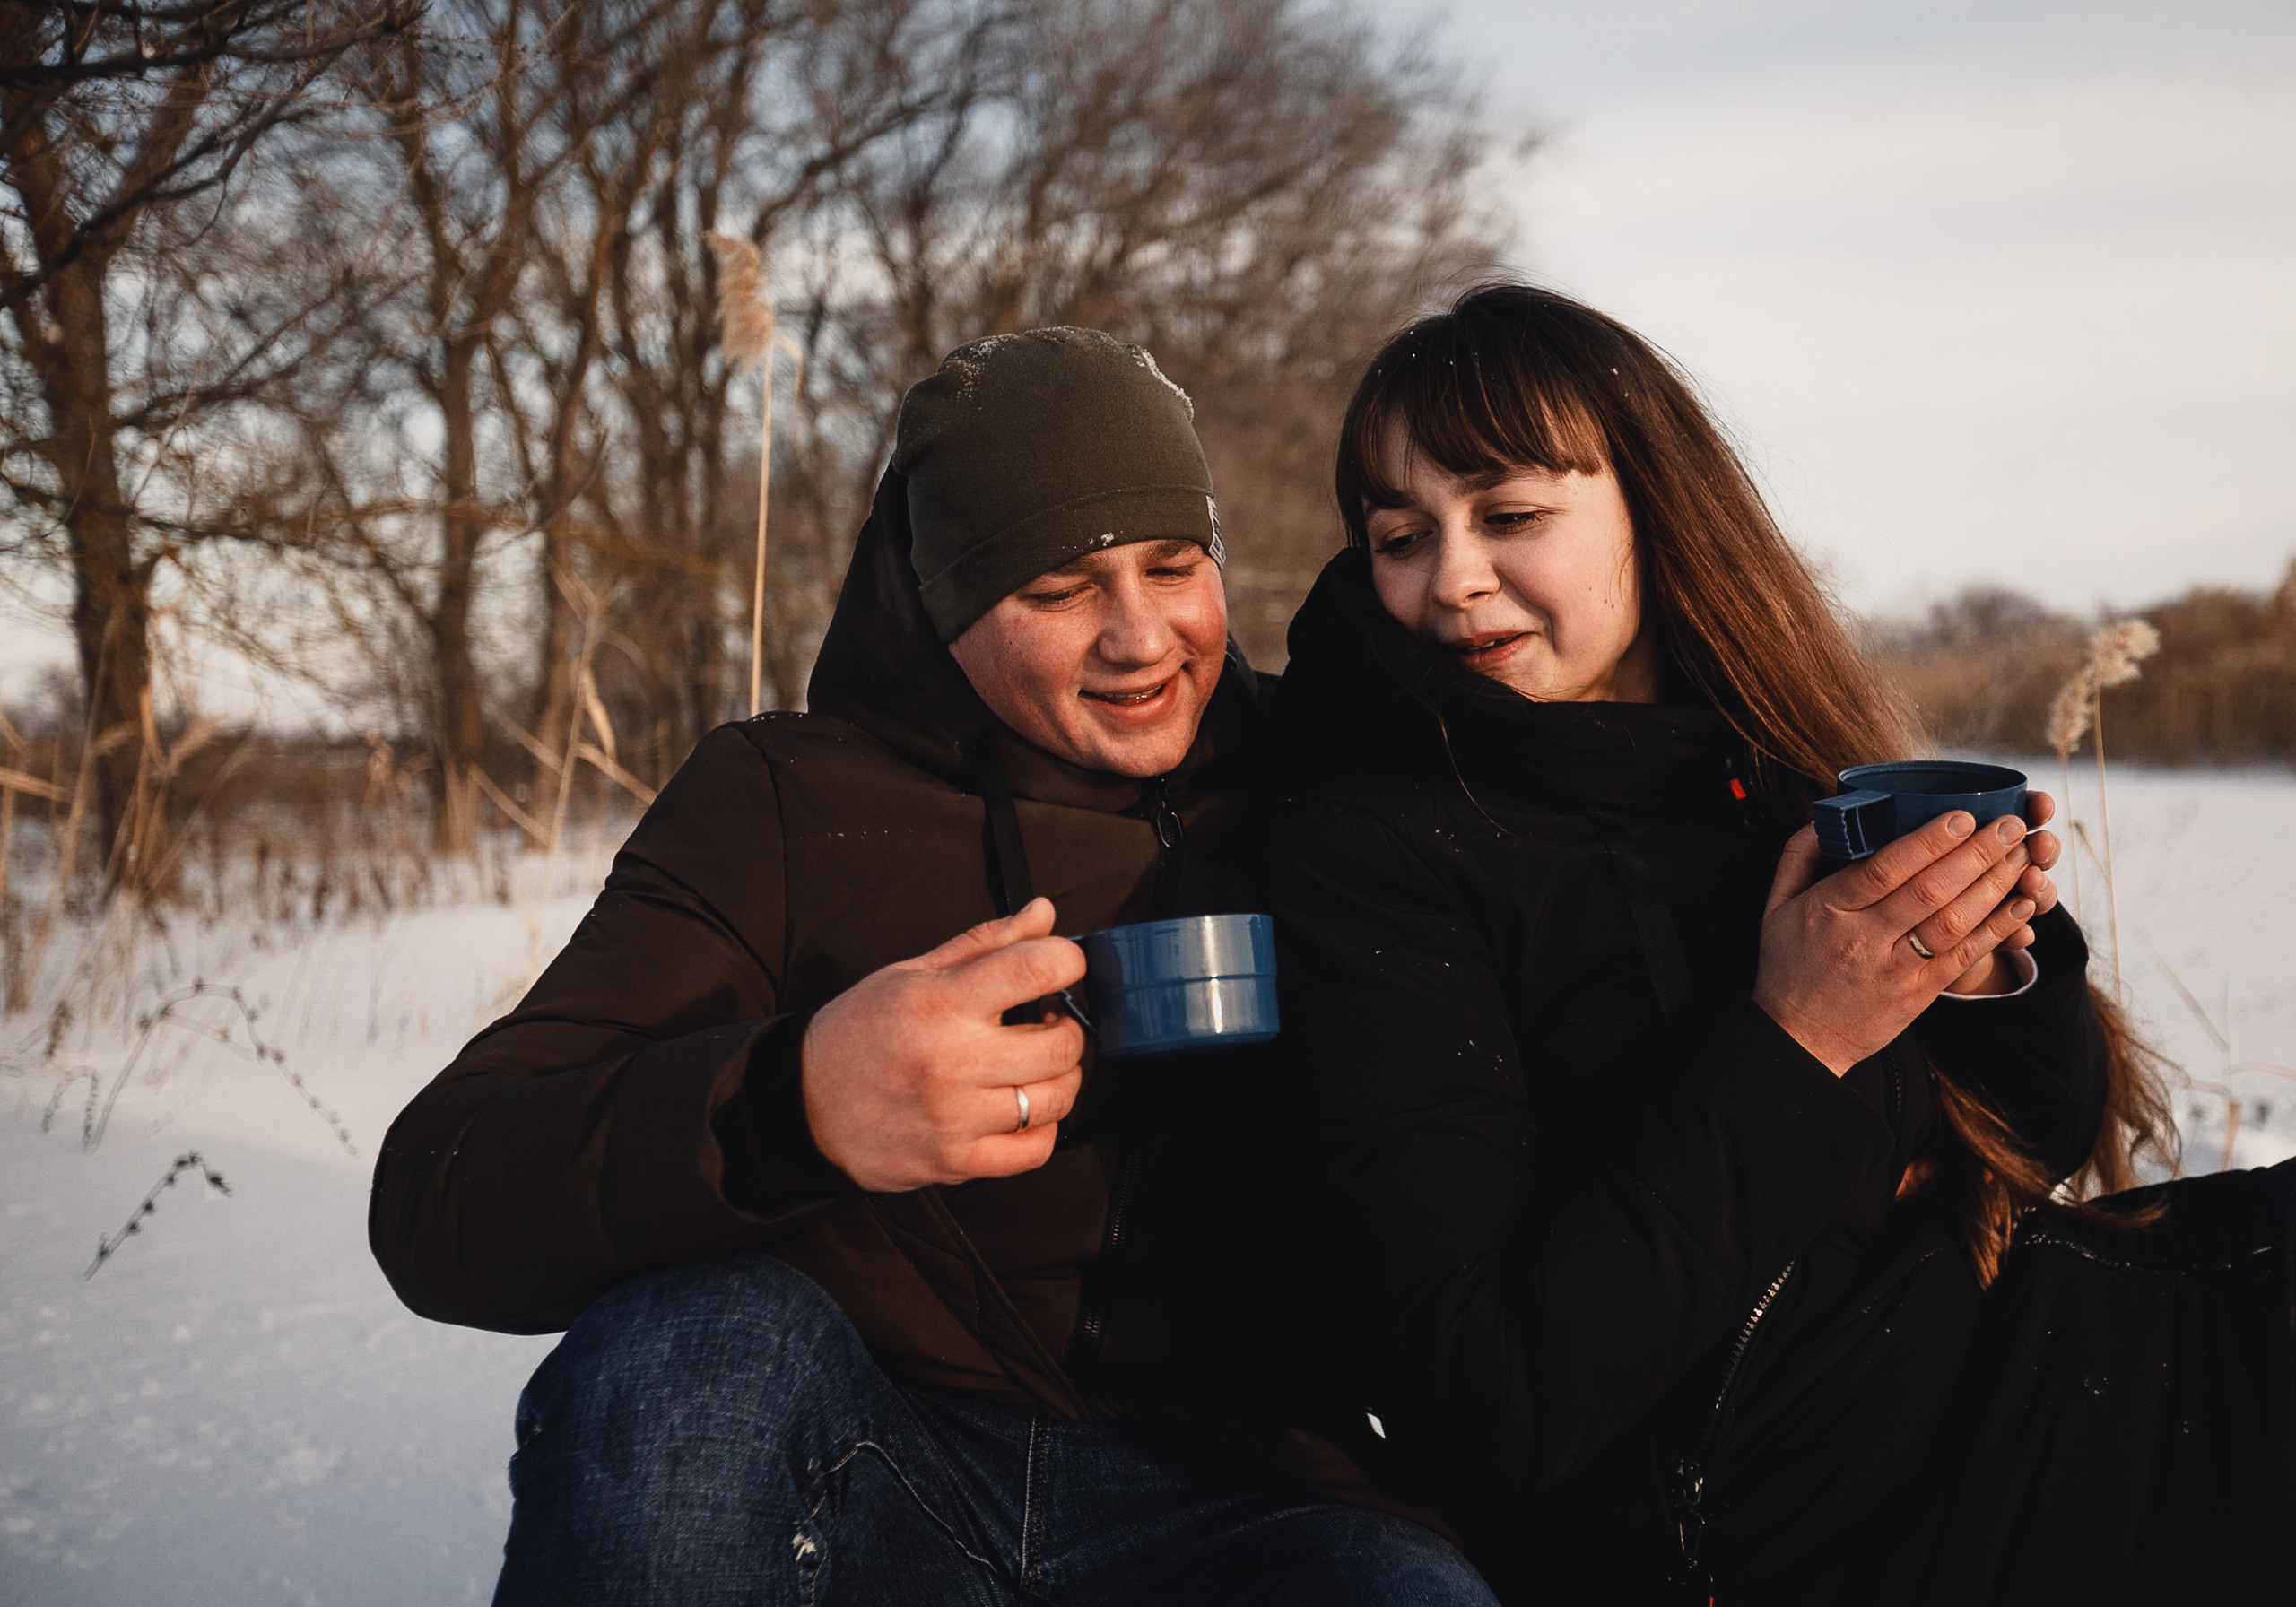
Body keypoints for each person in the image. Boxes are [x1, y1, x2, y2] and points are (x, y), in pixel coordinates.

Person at [370, 327, 1496, 1606]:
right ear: (944, 604)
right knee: (683, 1353)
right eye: (1060, 591)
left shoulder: (1331, 786)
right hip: (883, 1463)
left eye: (1175, 566)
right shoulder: (783, 802)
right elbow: (439, 1194)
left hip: (1250, 1493)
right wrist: (797, 1105)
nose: (1142, 639)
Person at [1261, 282, 2296, 1604]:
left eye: (1509, 514)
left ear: (1656, 507)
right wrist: (1800, 1039)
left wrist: (1985, 970)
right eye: (1401, 535)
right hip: (1801, 1507)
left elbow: (2040, 1138)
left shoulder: (1756, 770)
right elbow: (1491, 1401)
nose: (1452, 579)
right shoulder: (1375, 856)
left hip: (2018, 1356)